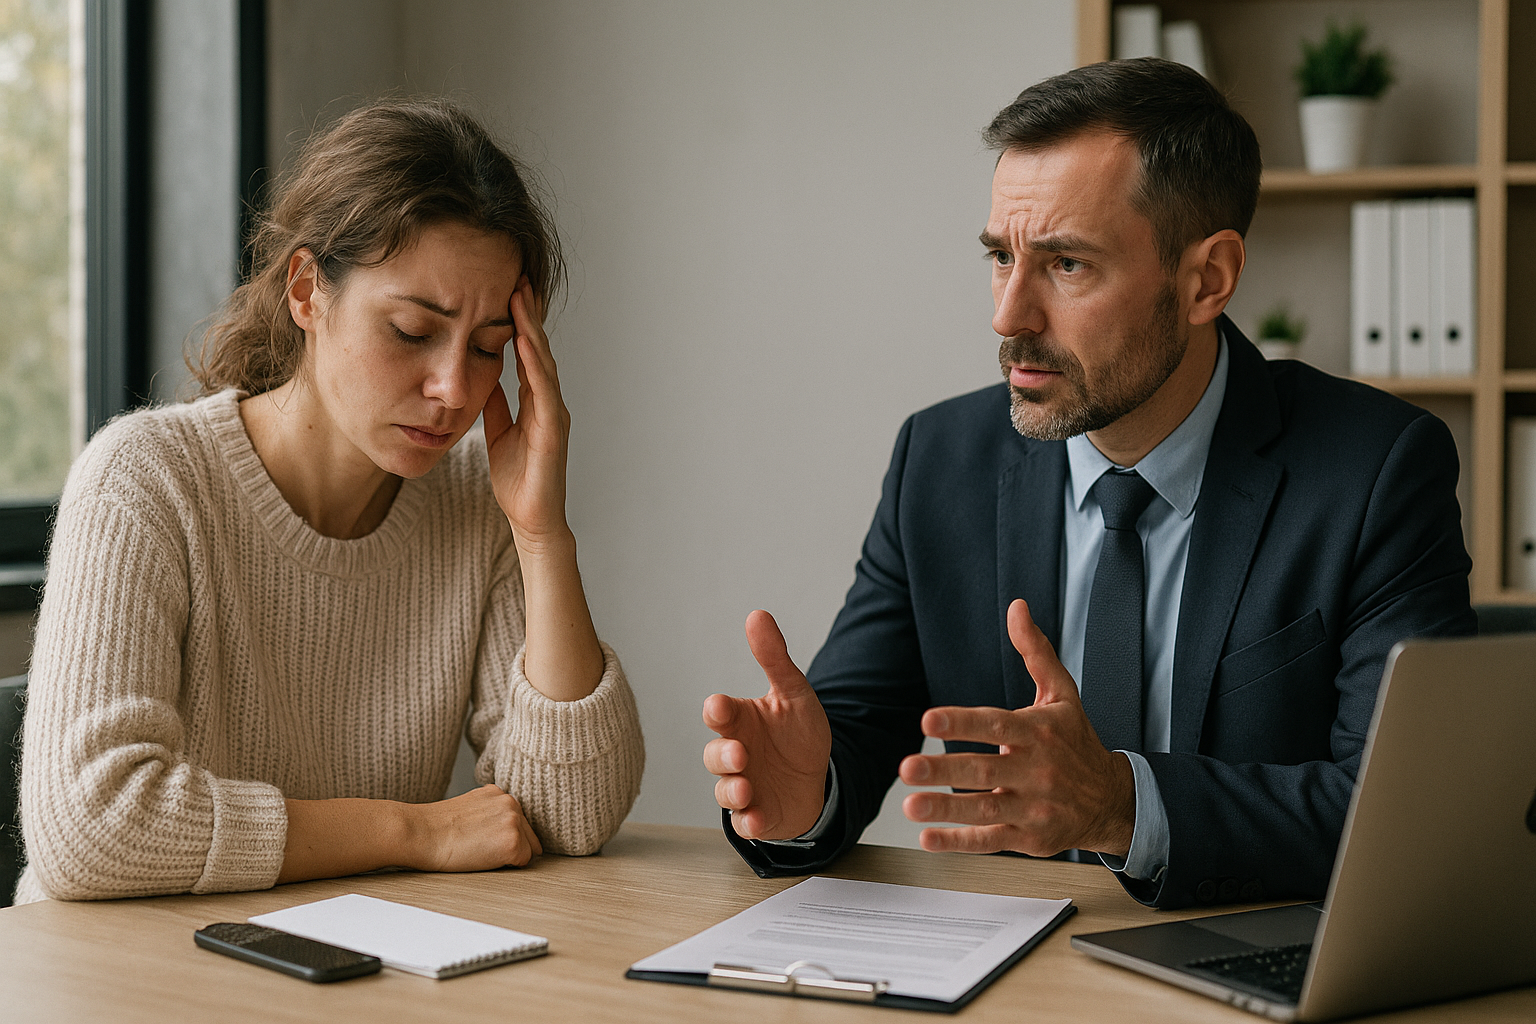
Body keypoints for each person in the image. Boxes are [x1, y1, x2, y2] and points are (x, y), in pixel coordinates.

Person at [701, 60, 1475, 910]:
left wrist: (1120, 805)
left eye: (1067, 265)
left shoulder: (1376, 470)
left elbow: (1399, 817)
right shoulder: (940, 459)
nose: (1009, 316)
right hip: (1014, 975)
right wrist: (803, 800)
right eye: (1002, 257)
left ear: (1206, 279)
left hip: (1250, 968)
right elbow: (848, 728)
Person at [16, 99, 644, 904]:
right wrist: (410, 832)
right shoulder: (145, 480)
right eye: (414, 331)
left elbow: (571, 814)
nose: (454, 389)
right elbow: (91, 827)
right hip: (110, 982)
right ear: (308, 291)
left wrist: (542, 535)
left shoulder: (474, 506)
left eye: (489, 347)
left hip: (330, 973)